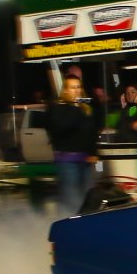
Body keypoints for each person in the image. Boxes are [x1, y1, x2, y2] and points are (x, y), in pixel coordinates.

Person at [44, 75, 100, 215]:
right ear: (65, 90)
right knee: (72, 198)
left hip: (85, 159)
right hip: (67, 160)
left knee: (87, 196)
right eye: (73, 87)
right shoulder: (57, 107)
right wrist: (75, 108)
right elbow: (62, 127)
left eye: (78, 87)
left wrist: (93, 153)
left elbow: (91, 132)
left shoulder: (85, 108)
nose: (77, 90)